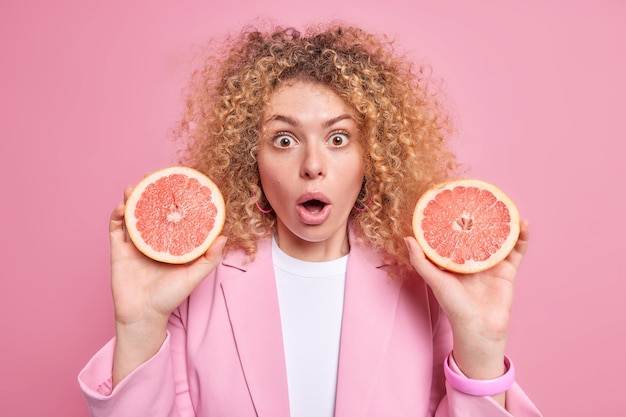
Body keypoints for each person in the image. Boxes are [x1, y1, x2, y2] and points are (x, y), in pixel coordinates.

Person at [78, 22, 543, 417]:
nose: (313, 165)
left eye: (339, 138)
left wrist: (482, 346)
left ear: (373, 156)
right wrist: (138, 327)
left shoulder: (429, 286)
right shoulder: (191, 287)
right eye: (284, 140)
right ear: (250, 158)